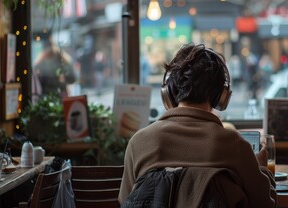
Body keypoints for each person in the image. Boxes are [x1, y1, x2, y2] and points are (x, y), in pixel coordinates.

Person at [118, 43, 277, 207]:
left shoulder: (138, 142)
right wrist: (262, 169)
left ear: (169, 92)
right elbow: (264, 203)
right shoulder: (234, 145)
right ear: (221, 96)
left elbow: (125, 200)